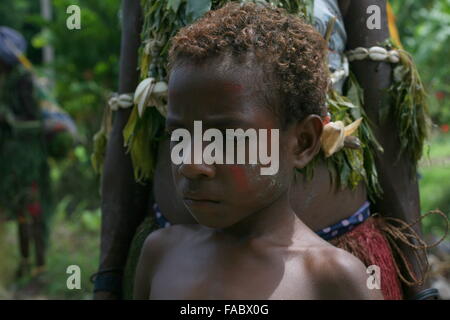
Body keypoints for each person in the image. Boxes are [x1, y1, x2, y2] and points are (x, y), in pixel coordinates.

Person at [96, 0, 439, 300]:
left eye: (228, 136)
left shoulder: (339, 279)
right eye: (179, 135)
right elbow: (128, 112)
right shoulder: (160, 256)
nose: (193, 163)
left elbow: (383, 116)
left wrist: (419, 284)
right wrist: (107, 277)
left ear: (305, 141)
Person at [0, 26, 49, 277]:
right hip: (10, 163)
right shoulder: (6, 80)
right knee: (20, 214)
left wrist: (10, 121)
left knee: (33, 213)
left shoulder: (23, 80)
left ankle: (39, 267)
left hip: (29, 160)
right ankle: (24, 263)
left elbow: (38, 125)